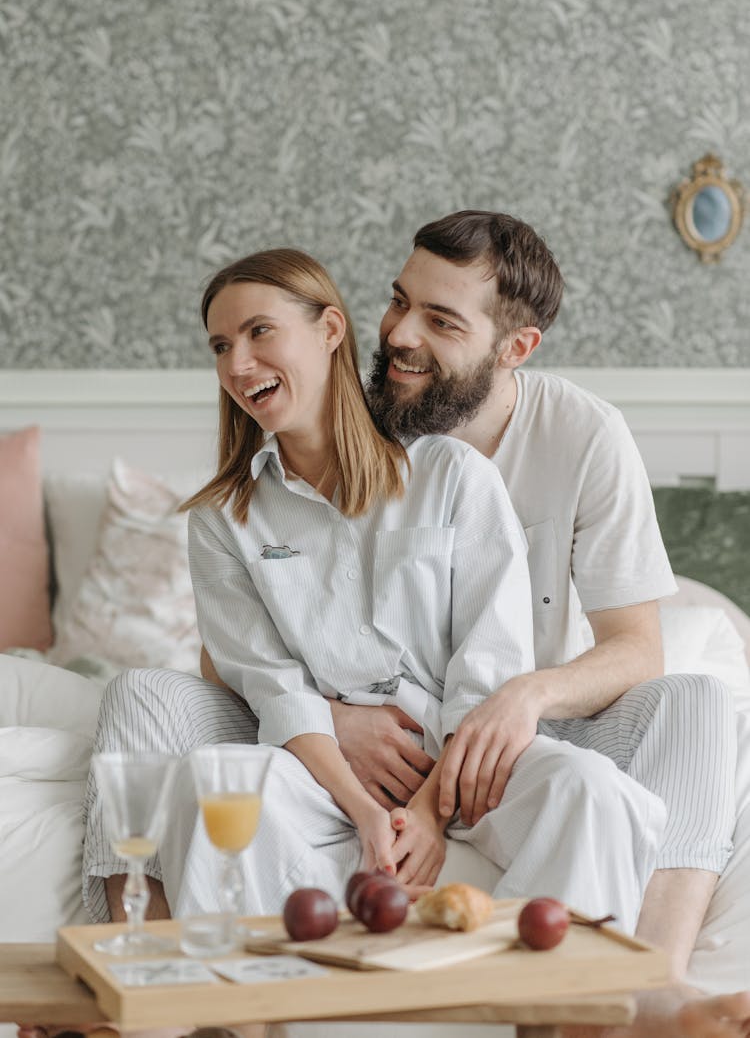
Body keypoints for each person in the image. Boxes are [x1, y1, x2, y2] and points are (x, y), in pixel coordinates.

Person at [80, 217, 749, 1036]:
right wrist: (335, 729)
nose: (399, 334)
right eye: (399, 302)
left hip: (491, 727)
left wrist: (510, 713)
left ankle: (637, 989)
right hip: (322, 730)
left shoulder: (535, 449)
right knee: (148, 701)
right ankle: (131, 979)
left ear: (514, 347)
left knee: (684, 717)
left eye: (440, 321)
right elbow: (252, 669)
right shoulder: (257, 487)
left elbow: (609, 650)